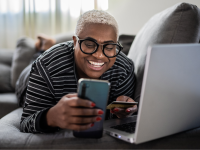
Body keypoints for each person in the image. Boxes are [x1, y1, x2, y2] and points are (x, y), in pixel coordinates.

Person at [20, 10, 137, 133]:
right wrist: (50, 117)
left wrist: (122, 113)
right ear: (75, 42)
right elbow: (26, 122)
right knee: (32, 63)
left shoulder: (124, 69)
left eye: (108, 47)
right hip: (26, 78)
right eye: (90, 44)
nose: (99, 55)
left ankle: (48, 45)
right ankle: (43, 47)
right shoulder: (44, 65)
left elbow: (118, 119)